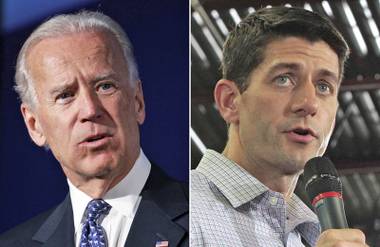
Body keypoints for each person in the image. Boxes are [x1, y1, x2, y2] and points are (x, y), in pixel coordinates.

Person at [0, 11, 188, 247]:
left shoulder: (204, 222)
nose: (90, 110)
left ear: (138, 101)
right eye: (65, 96)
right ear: (34, 125)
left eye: (105, 86)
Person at [191, 6, 368, 247]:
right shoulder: (181, 209)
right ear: (230, 101)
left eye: (324, 86)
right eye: (284, 79)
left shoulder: (311, 234)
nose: (309, 103)